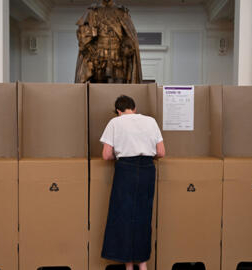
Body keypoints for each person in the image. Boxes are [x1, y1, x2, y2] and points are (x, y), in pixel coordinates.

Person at [100, 95, 165, 270]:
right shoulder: (151, 121)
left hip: (125, 171)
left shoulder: (115, 122)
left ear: (118, 111)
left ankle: (129, 265)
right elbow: (161, 152)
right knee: (144, 216)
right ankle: (143, 264)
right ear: (134, 109)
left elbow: (106, 155)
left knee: (123, 216)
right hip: (147, 170)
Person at [75, 0, 142, 83]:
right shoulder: (92, 12)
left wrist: (127, 47)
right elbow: (82, 37)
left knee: (119, 89)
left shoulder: (121, 12)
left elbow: (130, 37)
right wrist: (90, 50)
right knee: (97, 90)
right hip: (98, 60)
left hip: (118, 59)